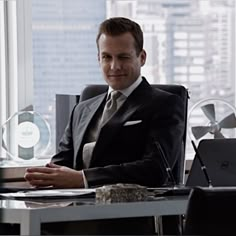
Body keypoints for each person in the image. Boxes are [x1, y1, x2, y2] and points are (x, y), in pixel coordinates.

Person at [24, 17, 185, 235]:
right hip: (73, 215)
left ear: (142, 57)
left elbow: (154, 169)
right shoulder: (82, 109)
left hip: (130, 219)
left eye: (123, 57)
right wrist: (44, 177)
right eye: (106, 57)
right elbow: (62, 162)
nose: (114, 66)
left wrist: (83, 179)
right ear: (98, 58)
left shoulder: (165, 104)